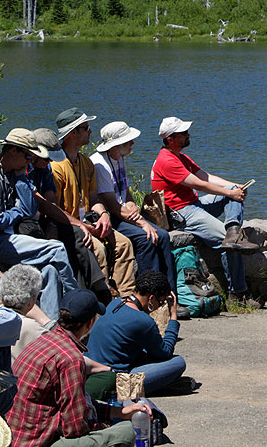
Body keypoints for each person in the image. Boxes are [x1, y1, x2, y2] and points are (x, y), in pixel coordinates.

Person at [7, 288, 152, 447]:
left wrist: (118, 412)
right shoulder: (71, 358)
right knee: (128, 430)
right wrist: (102, 427)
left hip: (16, 437)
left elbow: (77, 405)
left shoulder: (44, 341)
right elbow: (75, 428)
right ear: (90, 323)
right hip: (39, 442)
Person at [150, 117, 260, 307]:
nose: (188, 135)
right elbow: (199, 184)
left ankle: (233, 229)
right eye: (183, 133)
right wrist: (230, 192)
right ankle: (238, 293)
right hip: (181, 213)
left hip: (193, 204)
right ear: (170, 138)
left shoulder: (180, 156)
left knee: (231, 193)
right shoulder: (167, 161)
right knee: (227, 240)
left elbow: (206, 176)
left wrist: (235, 187)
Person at [91, 122, 185, 314]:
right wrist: (142, 223)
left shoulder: (118, 158)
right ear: (116, 145)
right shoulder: (99, 164)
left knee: (163, 236)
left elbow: (125, 193)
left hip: (124, 213)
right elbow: (112, 206)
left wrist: (132, 204)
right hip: (111, 217)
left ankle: (169, 296)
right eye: (129, 141)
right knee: (147, 238)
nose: (132, 144)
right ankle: (148, 298)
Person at [0, 127, 79, 319]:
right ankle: (76, 306)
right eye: (28, 156)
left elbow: (29, 210)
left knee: (49, 272)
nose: (30, 162)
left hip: (11, 236)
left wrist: (21, 178)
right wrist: (16, 211)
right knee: (57, 249)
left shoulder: (15, 173)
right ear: (13, 151)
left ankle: (51, 326)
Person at [51, 108, 136, 297]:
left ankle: (126, 298)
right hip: (69, 225)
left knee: (124, 244)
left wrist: (103, 215)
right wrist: (82, 226)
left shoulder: (86, 162)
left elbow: (94, 198)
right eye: (86, 128)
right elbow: (54, 209)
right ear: (73, 133)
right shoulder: (56, 166)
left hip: (89, 220)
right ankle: (102, 299)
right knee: (98, 249)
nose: (90, 131)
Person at [30, 128, 112, 305]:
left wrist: (96, 217)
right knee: (77, 237)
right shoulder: (25, 170)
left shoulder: (45, 169)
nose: (49, 162)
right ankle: (90, 293)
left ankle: (94, 291)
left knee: (77, 234)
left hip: (48, 219)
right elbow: (43, 204)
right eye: (46, 158)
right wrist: (76, 224)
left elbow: (51, 203)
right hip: (28, 224)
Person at [87, 270, 186, 396]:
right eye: (160, 302)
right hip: (116, 380)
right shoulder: (143, 321)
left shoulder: (116, 303)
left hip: (91, 370)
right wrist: (173, 316)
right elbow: (165, 353)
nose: (159, 307)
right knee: (178, 363)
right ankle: (128, 391)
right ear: (151, 298)